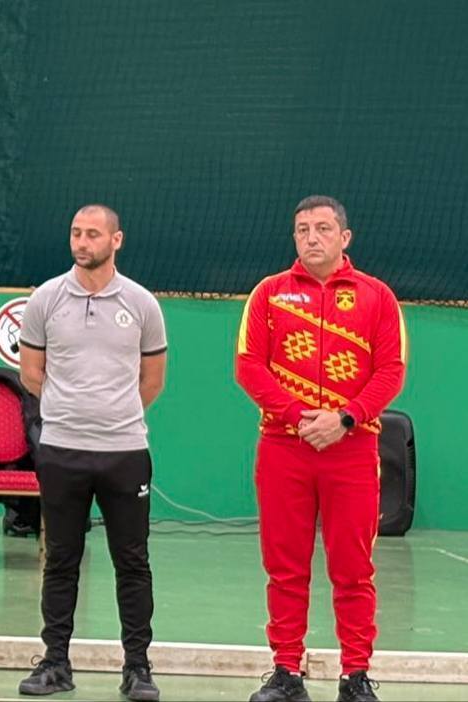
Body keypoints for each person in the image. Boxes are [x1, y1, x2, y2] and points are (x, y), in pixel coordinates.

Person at [235, 196, 406, 702]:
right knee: (285, 566)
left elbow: (391, 371)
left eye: (323, 228)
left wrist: (346, 418)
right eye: (302, 229)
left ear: (344, 237)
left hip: (353, 450)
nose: (312, 237)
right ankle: (286, 672)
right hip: (282, 449)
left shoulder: (377, 297)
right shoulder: (268, 294)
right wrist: (296, 417)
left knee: (353, 569)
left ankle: (356, 676)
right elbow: (249, 366)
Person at [16, 204, 166, 702]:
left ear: (116, 240)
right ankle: (55, 663)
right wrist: (71, 410)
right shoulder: (45, 299)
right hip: (61, 451)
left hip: (125, 452)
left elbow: (152, 381)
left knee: (133, 561)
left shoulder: (142, 304)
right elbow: (30, 373)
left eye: (93, 234)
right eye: (76, 233)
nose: (82, 242)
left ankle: (137, 668)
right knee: (61, 559)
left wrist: (112, 414)